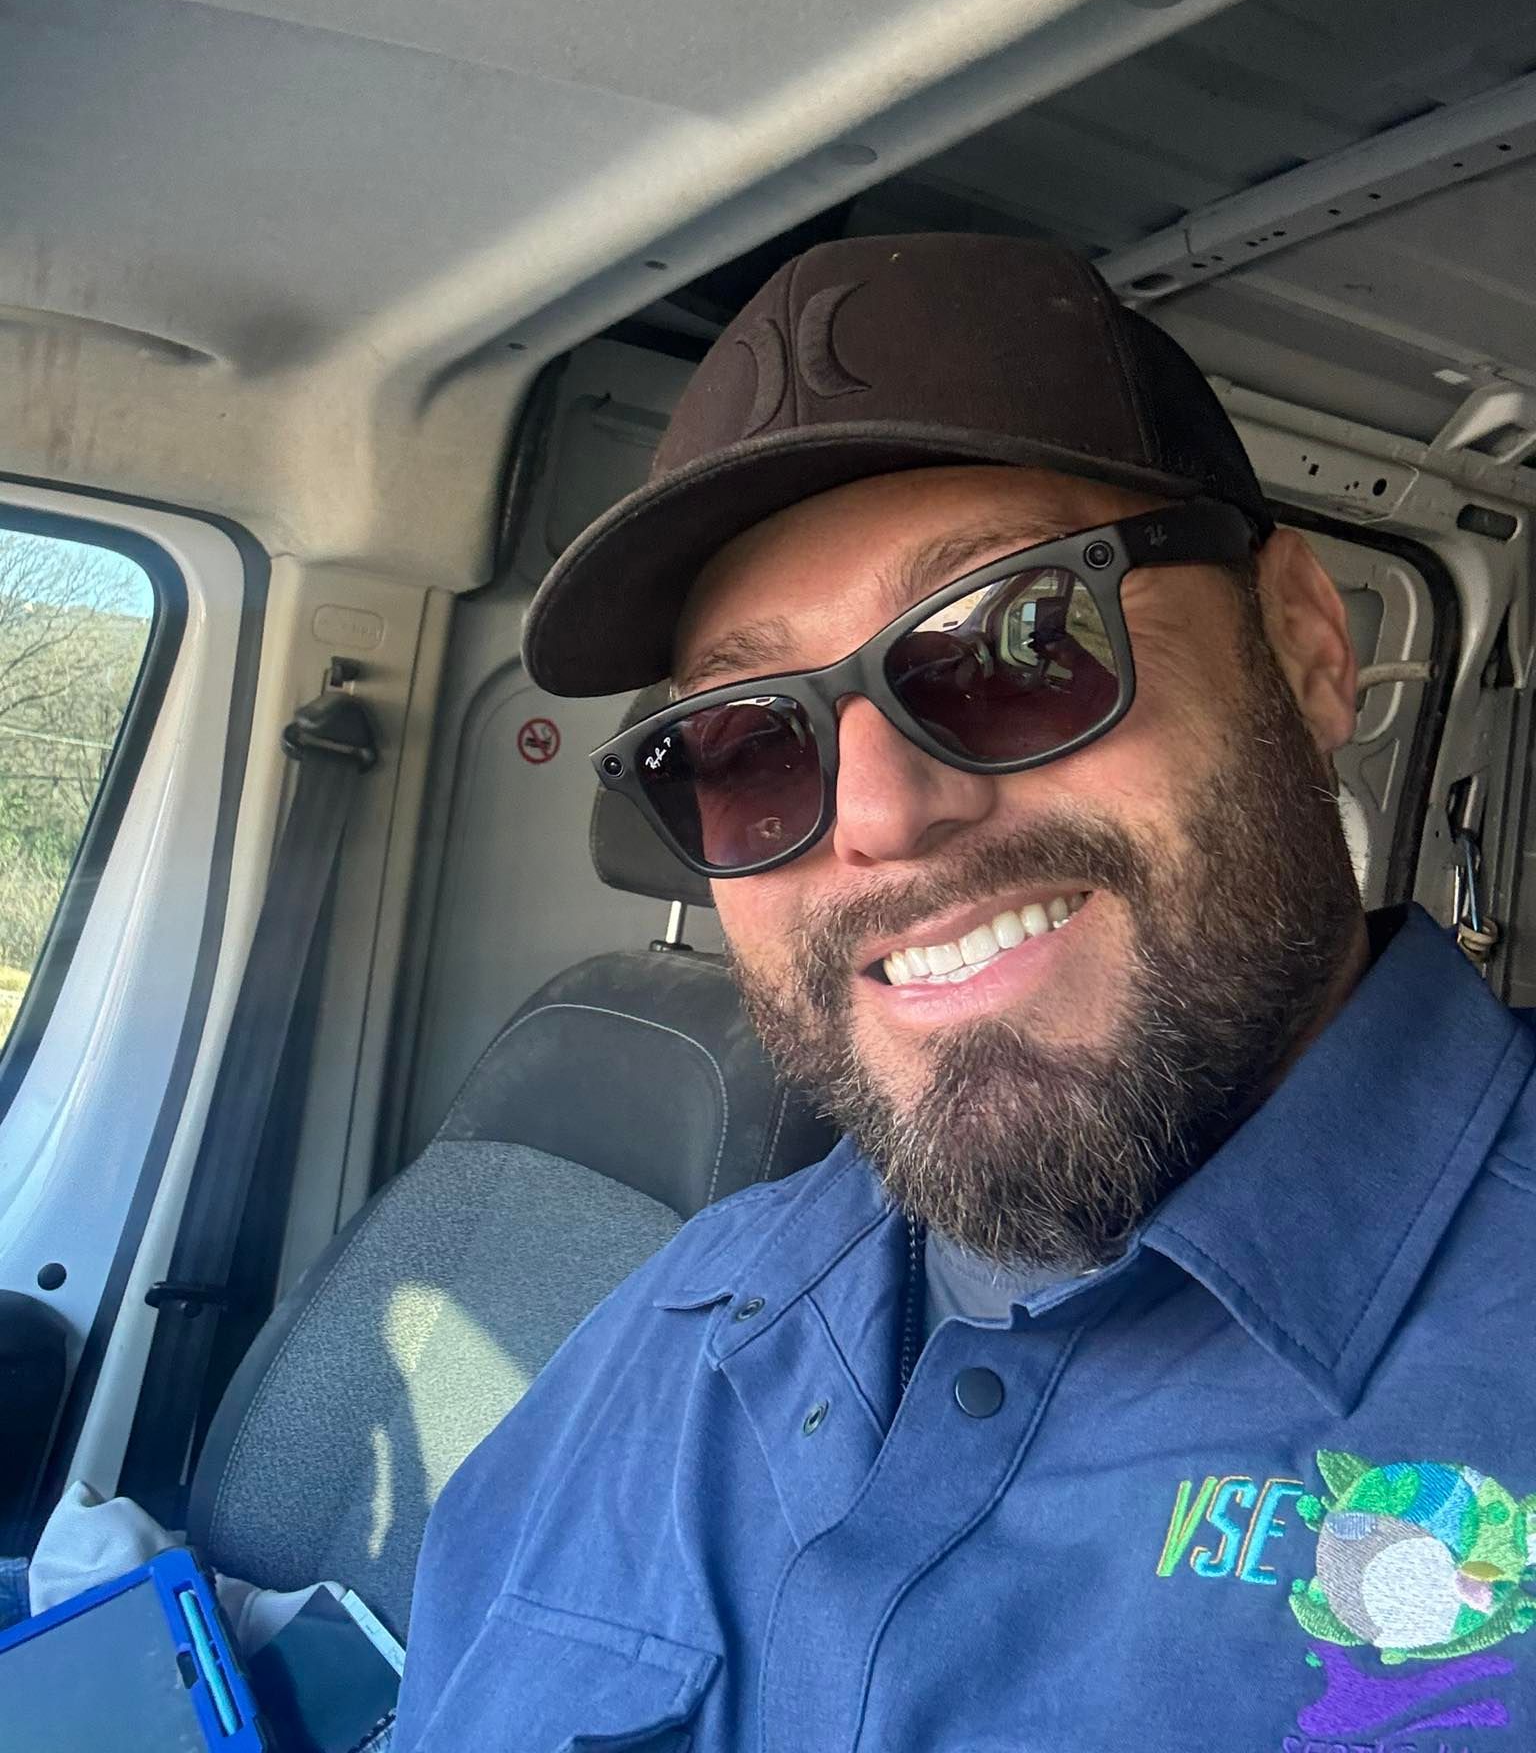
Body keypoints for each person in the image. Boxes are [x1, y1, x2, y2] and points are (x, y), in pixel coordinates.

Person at [394, 234, 1536, 1751]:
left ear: (1306, 647)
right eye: (744, 745)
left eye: (1013, 640)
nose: (878, 818)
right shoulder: (675, 1322)